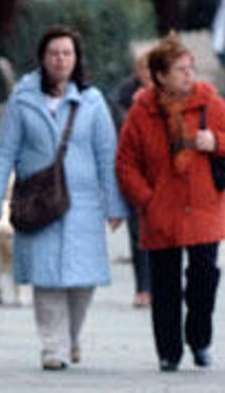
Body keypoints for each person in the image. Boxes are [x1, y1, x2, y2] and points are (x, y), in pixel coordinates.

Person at [0, 26, 127, 371]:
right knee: (46, 277)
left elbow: (108, 154)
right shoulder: (22, 98)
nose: (60, 59)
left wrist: (114, 205)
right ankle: (53, 347)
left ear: (76, 59)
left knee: (82, 280)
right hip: (38, 202)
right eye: (54, 53)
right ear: (42, 58)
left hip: (83, 203)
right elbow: (4, 151)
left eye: (67, 53)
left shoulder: (92, 101)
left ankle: (72, 337)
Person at [116, 32, 225, 372]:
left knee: (204, 277)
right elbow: (126, 162)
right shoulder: (142, 111)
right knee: (164, 286)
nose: (189, 74)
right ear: (160, 76)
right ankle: (169, 351)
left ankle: (200, 338)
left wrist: (216, 141)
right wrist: (146, 199)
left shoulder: (213, 104)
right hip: (161, 209)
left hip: (204, 205)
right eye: (180, 69)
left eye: (190, 68)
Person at [111, 51, 154, 308]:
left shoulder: (172, 95)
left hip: (161, 174)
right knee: (138, 229)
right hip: (134, 170)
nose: (147, 73)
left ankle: (160, 285)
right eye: (142, 68)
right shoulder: (124, 95)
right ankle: (143, 287)